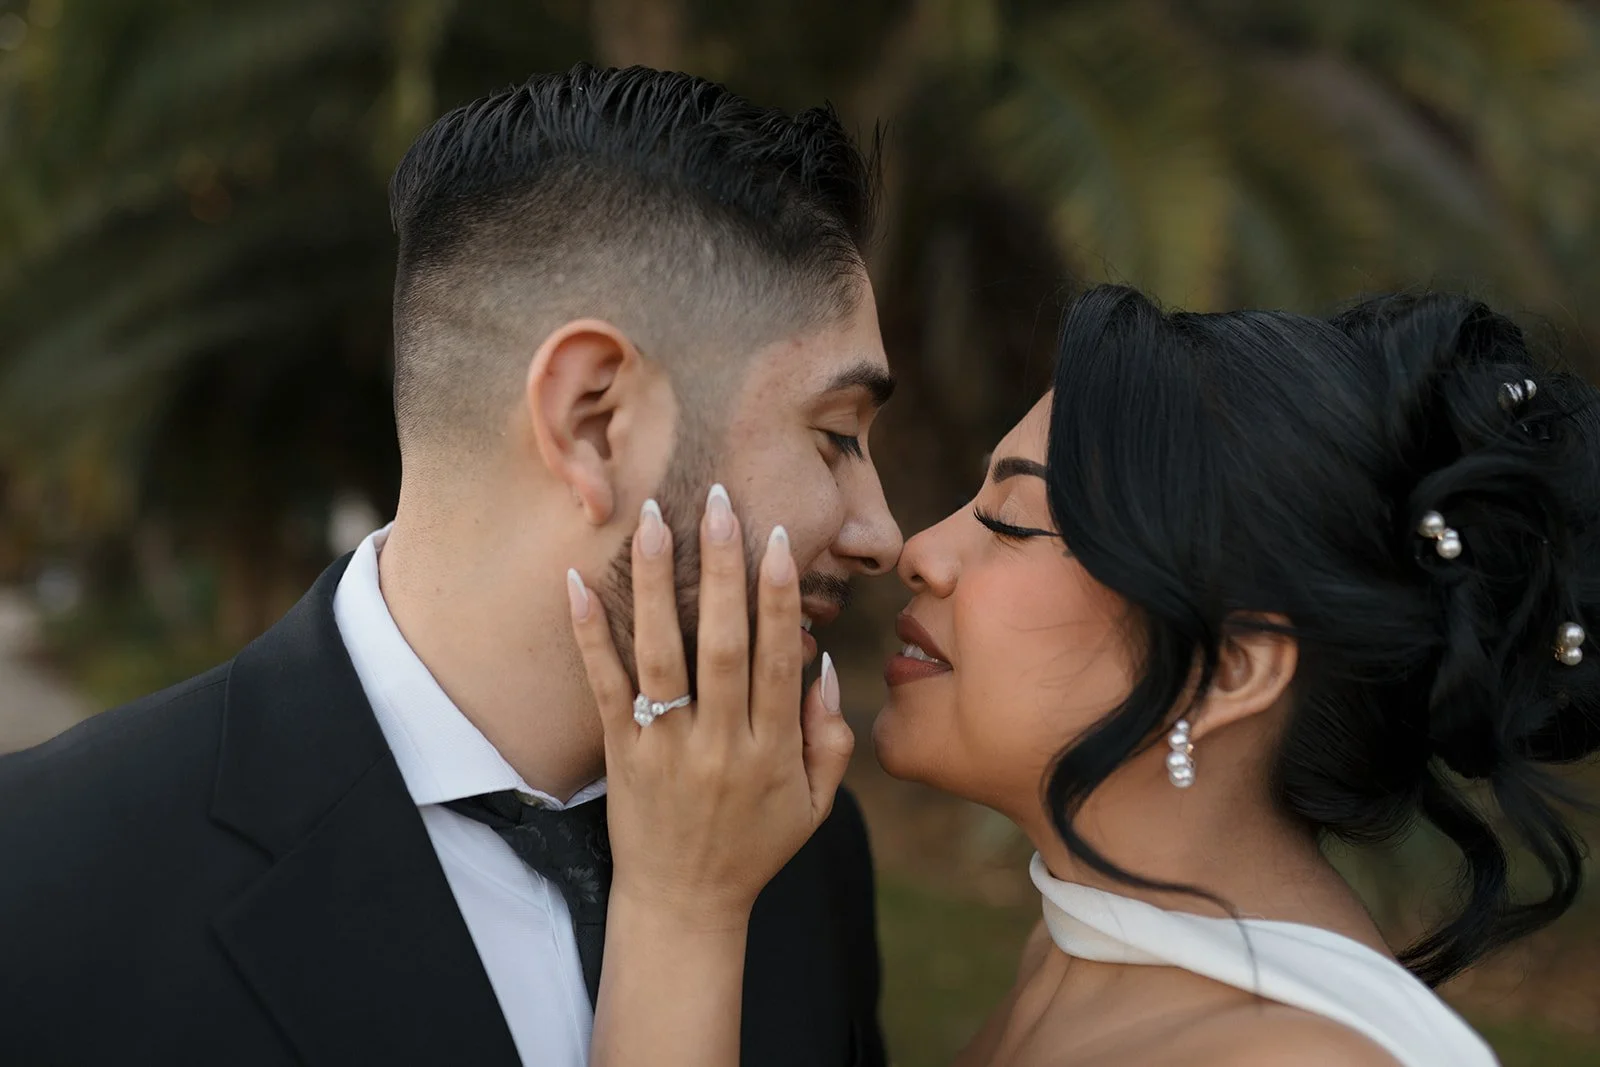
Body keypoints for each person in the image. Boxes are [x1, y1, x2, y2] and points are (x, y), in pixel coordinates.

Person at [0, 64, 902, 1066]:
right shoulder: (38, 877)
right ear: (595, 421)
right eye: (836, 436)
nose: (882, 532)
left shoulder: (804, 847)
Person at [580, 286, 1600, 1066]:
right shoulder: (1080, 956)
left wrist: (682, 906)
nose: (919, 550)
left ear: (1230, 666)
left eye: (1012, 521)